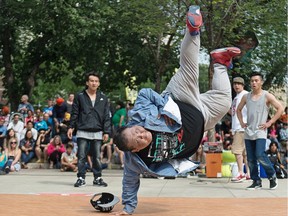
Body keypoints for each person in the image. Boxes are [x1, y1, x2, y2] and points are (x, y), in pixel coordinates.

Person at [113, 5, 241, 215]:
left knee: (189, 69)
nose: (142, 133)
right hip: (202, 119)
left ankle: (192, 30)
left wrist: (164, 103)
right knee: (225, 101)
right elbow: (129, 184)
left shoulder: (138, 116)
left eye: (138, 130)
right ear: (135, 149)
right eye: (139, 139)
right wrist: (128, 210)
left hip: (180, 99)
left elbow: (145, 93)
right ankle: (219, 62)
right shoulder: (136, 162)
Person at [237, 72, 284, 190]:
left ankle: (272, 176)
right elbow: (238, 110)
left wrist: (270, 122)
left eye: (256, 80)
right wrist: (242, 122)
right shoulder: (246, 96)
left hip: (260, 131)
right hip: (248, 131)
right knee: (251, 158)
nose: (254, 83)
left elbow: (280, 108)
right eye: (252, 80)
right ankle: (256, 181)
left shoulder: (266, 95)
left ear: (261, 82)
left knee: (260, 154)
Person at [67, 71, 111, 187]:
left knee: (96, 157)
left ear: (99, 83)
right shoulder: (80, 96)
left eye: (96, 81)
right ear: (87, 82)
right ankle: (81, 177)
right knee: (81, 156)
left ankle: (98, 178)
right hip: (82, 130)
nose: (94, 83)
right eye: (91, 81)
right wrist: (71, 127)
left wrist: (106, 131)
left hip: (97, 131)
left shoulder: (103, 97)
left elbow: (106, 115)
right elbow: (75, 113)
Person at [230, 77, 250, 182]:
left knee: (237, 151)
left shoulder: (245, 95)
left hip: (241, 127)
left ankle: (240, 173)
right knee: (245, 153)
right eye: (235, 84)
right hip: (239, 127)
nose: (236, 85)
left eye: (239, 84)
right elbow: (234, 113)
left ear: (243, 85)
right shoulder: (236, 97)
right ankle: (248, 174)